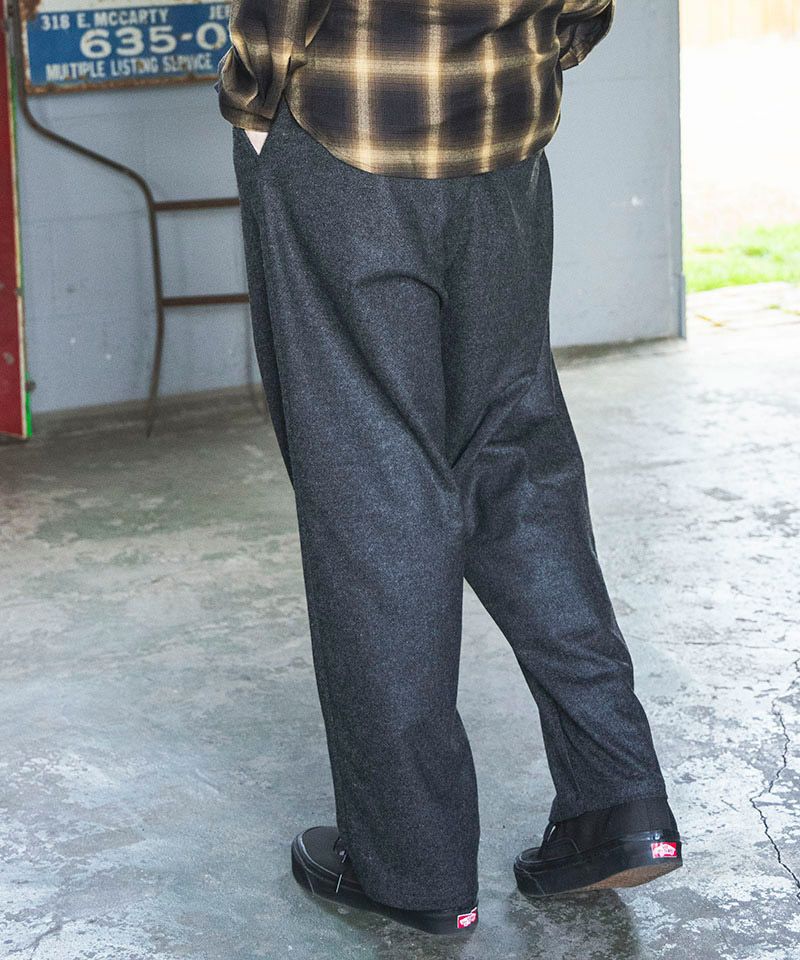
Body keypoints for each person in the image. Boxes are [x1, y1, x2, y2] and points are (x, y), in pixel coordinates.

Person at [214, 0, 682, 937]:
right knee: (516, 462)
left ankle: (412, 865)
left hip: (344, 132)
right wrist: (536, 49)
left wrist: (255, 97)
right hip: (503, 138)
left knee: (372, 483)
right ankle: (618, 800)